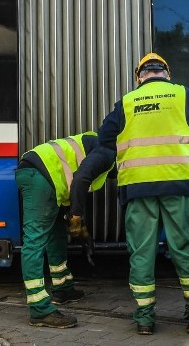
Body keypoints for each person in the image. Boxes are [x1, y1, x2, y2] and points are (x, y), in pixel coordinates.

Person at [98, 52, 189, 335]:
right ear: (167, 73)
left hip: (138, 188)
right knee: (185, 250)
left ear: (139, 77)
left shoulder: (126, 102)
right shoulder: (182, 95)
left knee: (141, 253)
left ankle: (144, 320)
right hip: (179, 185)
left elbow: (104, 137)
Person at [15, 131, 115, 328]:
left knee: (57, 234)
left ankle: (63, 288)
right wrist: (76, 218)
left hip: (43, 175)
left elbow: (73, 178)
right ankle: (39, 309)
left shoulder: (99, 142)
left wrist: (73, 216)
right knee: (34, 240)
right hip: (39, 176)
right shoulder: (109, 151)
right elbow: (80, 179)